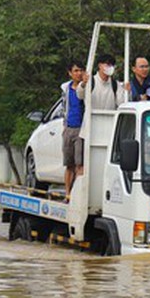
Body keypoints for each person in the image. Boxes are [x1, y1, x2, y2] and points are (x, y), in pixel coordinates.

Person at [61, 59, 86, 198]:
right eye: (76, 70)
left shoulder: (86, 88)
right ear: (70, 73)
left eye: (81, 70)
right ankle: (68, 194)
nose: (79, 73)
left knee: (80, 164)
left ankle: (77, 195)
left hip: (81, 129)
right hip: (68, 128)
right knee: (69, 164)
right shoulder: (66, 89)